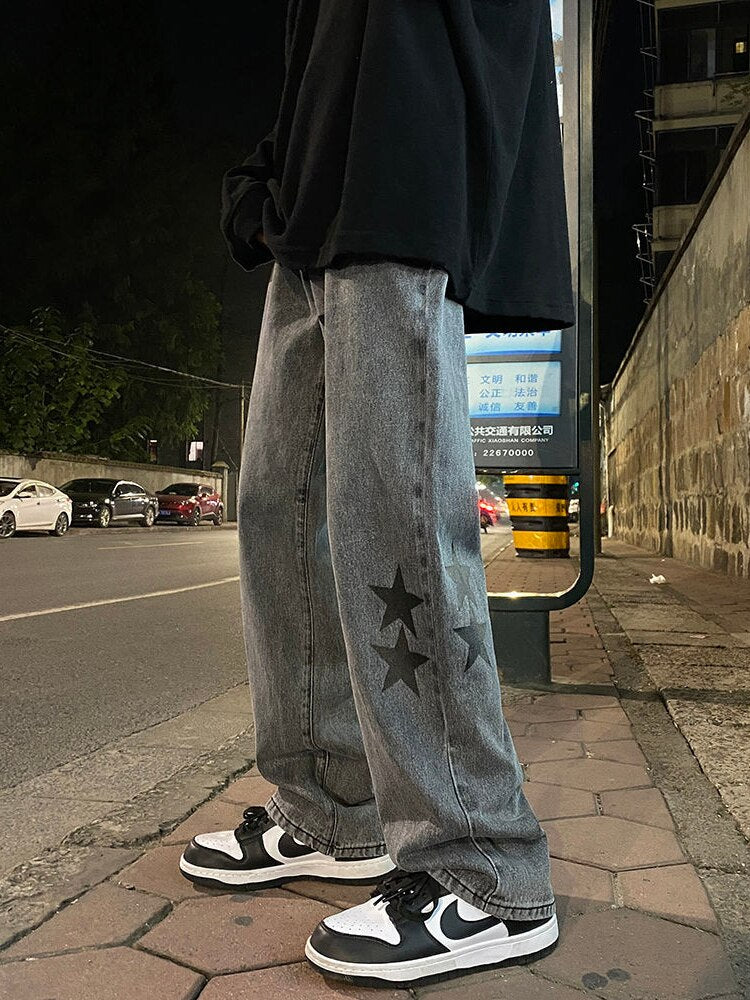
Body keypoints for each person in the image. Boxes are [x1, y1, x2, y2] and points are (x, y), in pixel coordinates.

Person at [180, 0, 574, 987]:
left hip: (404, 168)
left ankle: (483, 860)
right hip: (311, 205)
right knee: (278, 514)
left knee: (395, 521)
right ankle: (332, 806)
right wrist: (272, 174)